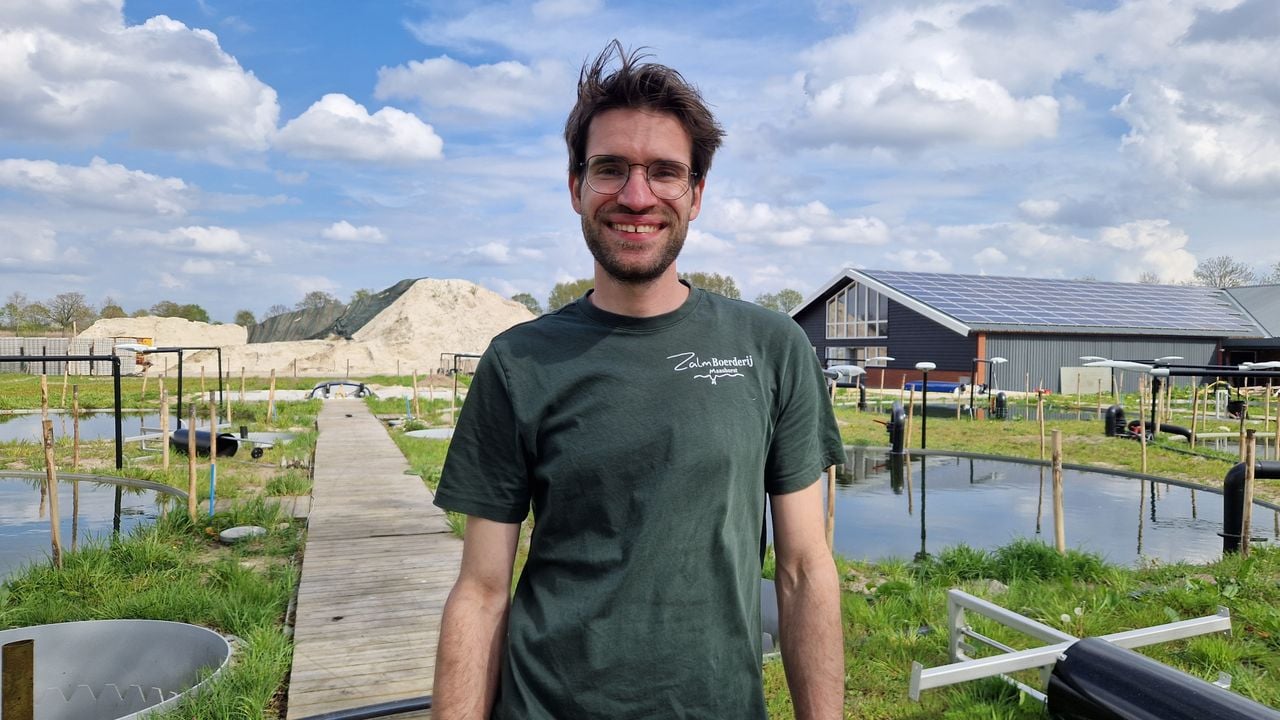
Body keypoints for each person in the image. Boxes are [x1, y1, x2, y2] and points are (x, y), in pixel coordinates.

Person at [432, 40, 846, 719]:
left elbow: (803, 570)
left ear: (697, 193)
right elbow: (480, 589)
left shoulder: (772, 348)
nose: (635, 196)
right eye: (610, 169)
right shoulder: (518, 363)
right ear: (575, 188)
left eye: (664, 172)